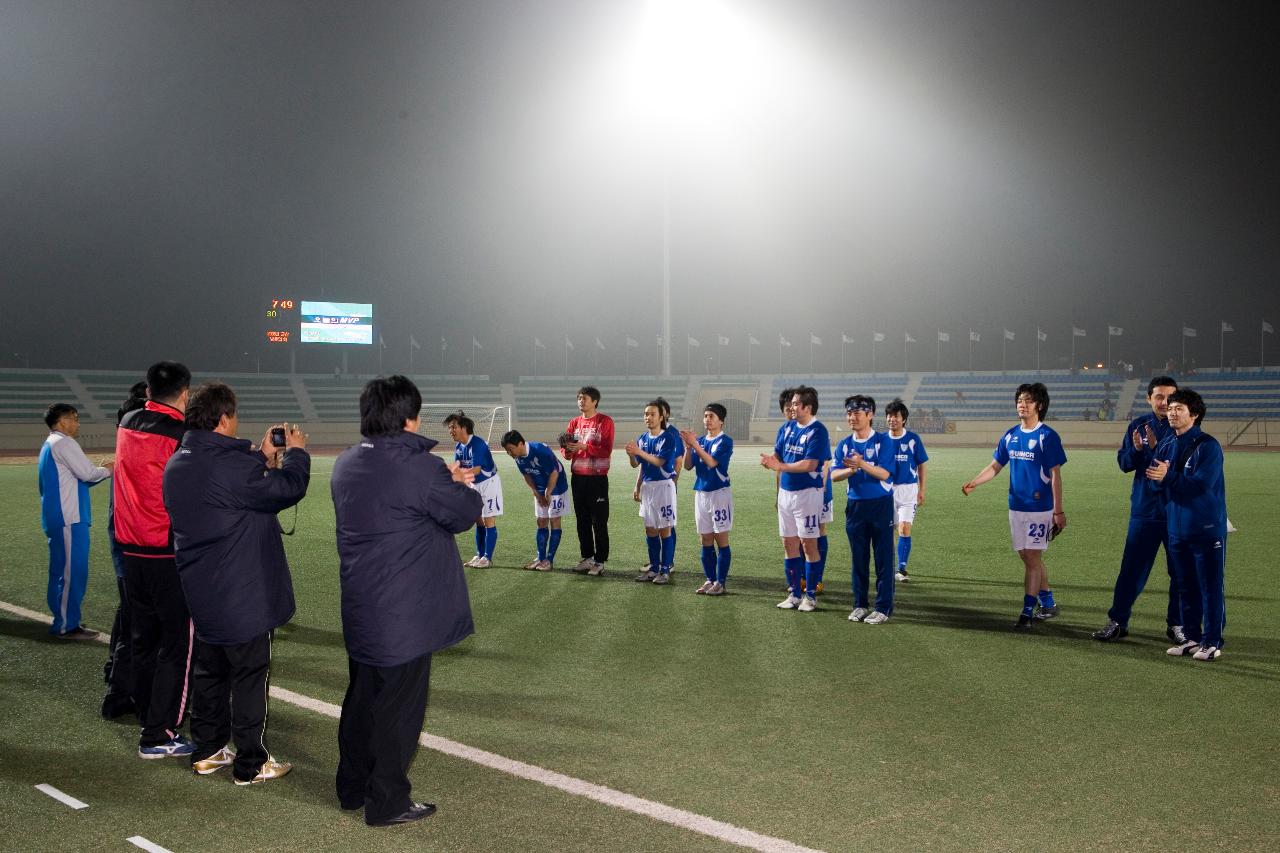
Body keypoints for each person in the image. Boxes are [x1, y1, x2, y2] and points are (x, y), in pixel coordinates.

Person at [331, 375, 481, 826]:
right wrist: (457, 483)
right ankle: (388, 802)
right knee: (398, 713)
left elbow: (398, 506)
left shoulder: (346, 463)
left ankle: (351, 787)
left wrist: (443, 482)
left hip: (362, 604)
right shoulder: (419, 467)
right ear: (411, 418)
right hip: (405, 614)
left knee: (361, 700)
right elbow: (463, 513)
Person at [163, 383, 310, 784]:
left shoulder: (178, 462)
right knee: (249, 676)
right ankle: (251, 763)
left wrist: (260, 456)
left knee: (210, 673)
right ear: (225, 418)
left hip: (202, 587)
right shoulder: (231, 468)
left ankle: (208, 750)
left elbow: (230, 489)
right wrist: (295, 454)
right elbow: (287, 488)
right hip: (242, 591)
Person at [114, 360, 197, 758]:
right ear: (185, 393)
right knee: (177, 643)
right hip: (166, 548)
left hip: (130, 546)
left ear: (148, 390)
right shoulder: (181, 434)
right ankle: (159, 732)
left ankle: (147, 712)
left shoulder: (128, 420)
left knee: (143, 638)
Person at [961, 383, 1067, 629]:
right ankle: (1048, 603)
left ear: (1039, 405)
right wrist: (975, 482)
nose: (1022, 404)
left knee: (1032, 557)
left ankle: (1027, 612)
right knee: (1027, 556)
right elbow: (996, 466)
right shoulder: (1010, 435)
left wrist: (1058, 511)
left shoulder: (1047, 436)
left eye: (1028, 400)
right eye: (1020, 400)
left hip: (1040, 509)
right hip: (1016, 506)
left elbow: (1055, 476)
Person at [1093, 376, 1186, 643]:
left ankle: (1177, 625)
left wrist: (1157, 452)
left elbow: (1182, 469)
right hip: (1145, 511)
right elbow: (1123, 463)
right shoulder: (1138, 425)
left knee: (1179, 571)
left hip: (1175, 511)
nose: (1164, 402)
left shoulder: (1182, 427)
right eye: (1159, 396)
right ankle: (1118, 621)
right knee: (1131, 570)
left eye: (1170, 397)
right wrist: (1134, 450)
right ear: (1149, 398)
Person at [1146, 389, 1228, 661]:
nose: (1172, 412)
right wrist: (1157, 480)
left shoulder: (1209, 446)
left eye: (1179, 408)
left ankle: (1212, 641)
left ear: (1194, 414)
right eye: (1170, 408)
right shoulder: (1167, 444)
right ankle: (1192, 638)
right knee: (1185, 586)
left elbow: (1202, 485)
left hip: (1205, 529)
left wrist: (1167, 478)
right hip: (1177, 528)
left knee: (1210, 586)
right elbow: (1154, 480)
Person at [38, 403, 113, 639]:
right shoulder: (64, 442)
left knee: (60, 571)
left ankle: (64, 619)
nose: (77, 423)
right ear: (62, 422)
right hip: (70, 517)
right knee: (73, 572)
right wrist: (109, 469)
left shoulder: (49, 444)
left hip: (58, 517)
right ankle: (66, 625)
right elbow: (88, 474)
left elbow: (79, 477)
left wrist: (97, 472)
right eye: (74, 418)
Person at [101, 381, 148, 719]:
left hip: (127, 547)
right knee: (140, 627)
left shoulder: (128, 444)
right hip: (136, 549)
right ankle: (123, 696)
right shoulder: (139, 445)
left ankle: (116, 680)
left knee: (129, 617)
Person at [761, 386, 830, 613]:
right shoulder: (787, 427)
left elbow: (810, 464)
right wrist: (771, 461)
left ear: (808, 407)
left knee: (808, 544)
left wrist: (779, 465)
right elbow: (779, 454)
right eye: (791, 403)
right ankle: (794, 594)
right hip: (786, 494)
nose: (791, 407)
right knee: (788, 543)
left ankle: (810, 596)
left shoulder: (818, 431)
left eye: (796, 403)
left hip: (807, 495)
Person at [831, 395, 895, 623]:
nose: (852, 417)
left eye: (857, 413)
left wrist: (861, 465)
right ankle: (860, 604)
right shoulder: (845, 444)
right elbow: (834, 474)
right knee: (859, 558)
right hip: (855, 506)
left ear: (870, 415)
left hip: (880, 506)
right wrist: (850, 471)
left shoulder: (884, 442)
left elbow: (886, 473)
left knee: (883, 558)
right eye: (849, 412)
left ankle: (883, 607)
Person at [680, 403, 733, 595]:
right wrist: (688, 447)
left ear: (721, 421)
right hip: (701, 493)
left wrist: (694, 444)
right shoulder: (699, 440)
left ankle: (721, 582)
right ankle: (710, 579)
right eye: (705, 416)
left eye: (711, 416)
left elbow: (711, 462)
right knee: (705, 539)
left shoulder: (725, 441)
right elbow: (687, 466)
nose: (707, 420)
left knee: (721, 539)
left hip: (719, 494)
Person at [626, 401, 680, 585]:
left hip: (664, 486)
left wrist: (638, 451)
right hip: (648, 487)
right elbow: (638, 465)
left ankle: (665, 570)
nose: (647, 417)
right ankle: (654, 569)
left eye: (652, 414)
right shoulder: (642, 438)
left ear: (661, 417)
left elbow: (658, 462)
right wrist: (632, 456)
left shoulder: (668, 438)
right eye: (645, 414)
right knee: (650, 529)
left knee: (664, 529)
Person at [562, 386, 614, 576]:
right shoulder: (574, 423)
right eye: (579, 398)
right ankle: (587, 558)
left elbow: (606, 449)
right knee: (582, 520)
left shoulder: (604, 421)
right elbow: (567, 453)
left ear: (594, 401)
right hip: (578, 477)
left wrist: (585, 446)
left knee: (598, 521)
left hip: (597, 478)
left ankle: (600, 560)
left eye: (584, 398)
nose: (581, 401)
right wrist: (567, 450)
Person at [501, 430, 569, 571]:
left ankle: (549, 560)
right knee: (541, 521)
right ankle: (540, 557)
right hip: (539, 487)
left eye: (510, 449)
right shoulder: (518, 457)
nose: (509, 453)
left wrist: (548, 492)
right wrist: (537, 494)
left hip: (556, 486)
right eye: (507, 451)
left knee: (554, 520)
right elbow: (526, 475)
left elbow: (554, 472)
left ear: (520, 444)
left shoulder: (540, 450)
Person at [444, 411, 503, 568]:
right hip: (473, 484)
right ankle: (479, 554)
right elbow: (458, 469)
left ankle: (488, 558)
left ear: (464, 427)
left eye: (453, 427)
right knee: (478, 519)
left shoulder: (478, 444)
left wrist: (453, 477)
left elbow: (476, 469)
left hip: (489, 483)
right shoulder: (459, 447)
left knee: (489, 519)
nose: (450, 431)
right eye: (449, 428)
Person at [884, 398, 929, 583]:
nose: (892, 419)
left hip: (908, 491)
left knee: (904, 528)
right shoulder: (881, 440)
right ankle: (887, 565)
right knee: (888, 532)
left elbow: (921, 465)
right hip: (886, 491)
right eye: (889, 416)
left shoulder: (912, 439)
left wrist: (922, 490)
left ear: (903, 419)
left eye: (896, 416)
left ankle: (901, 568)